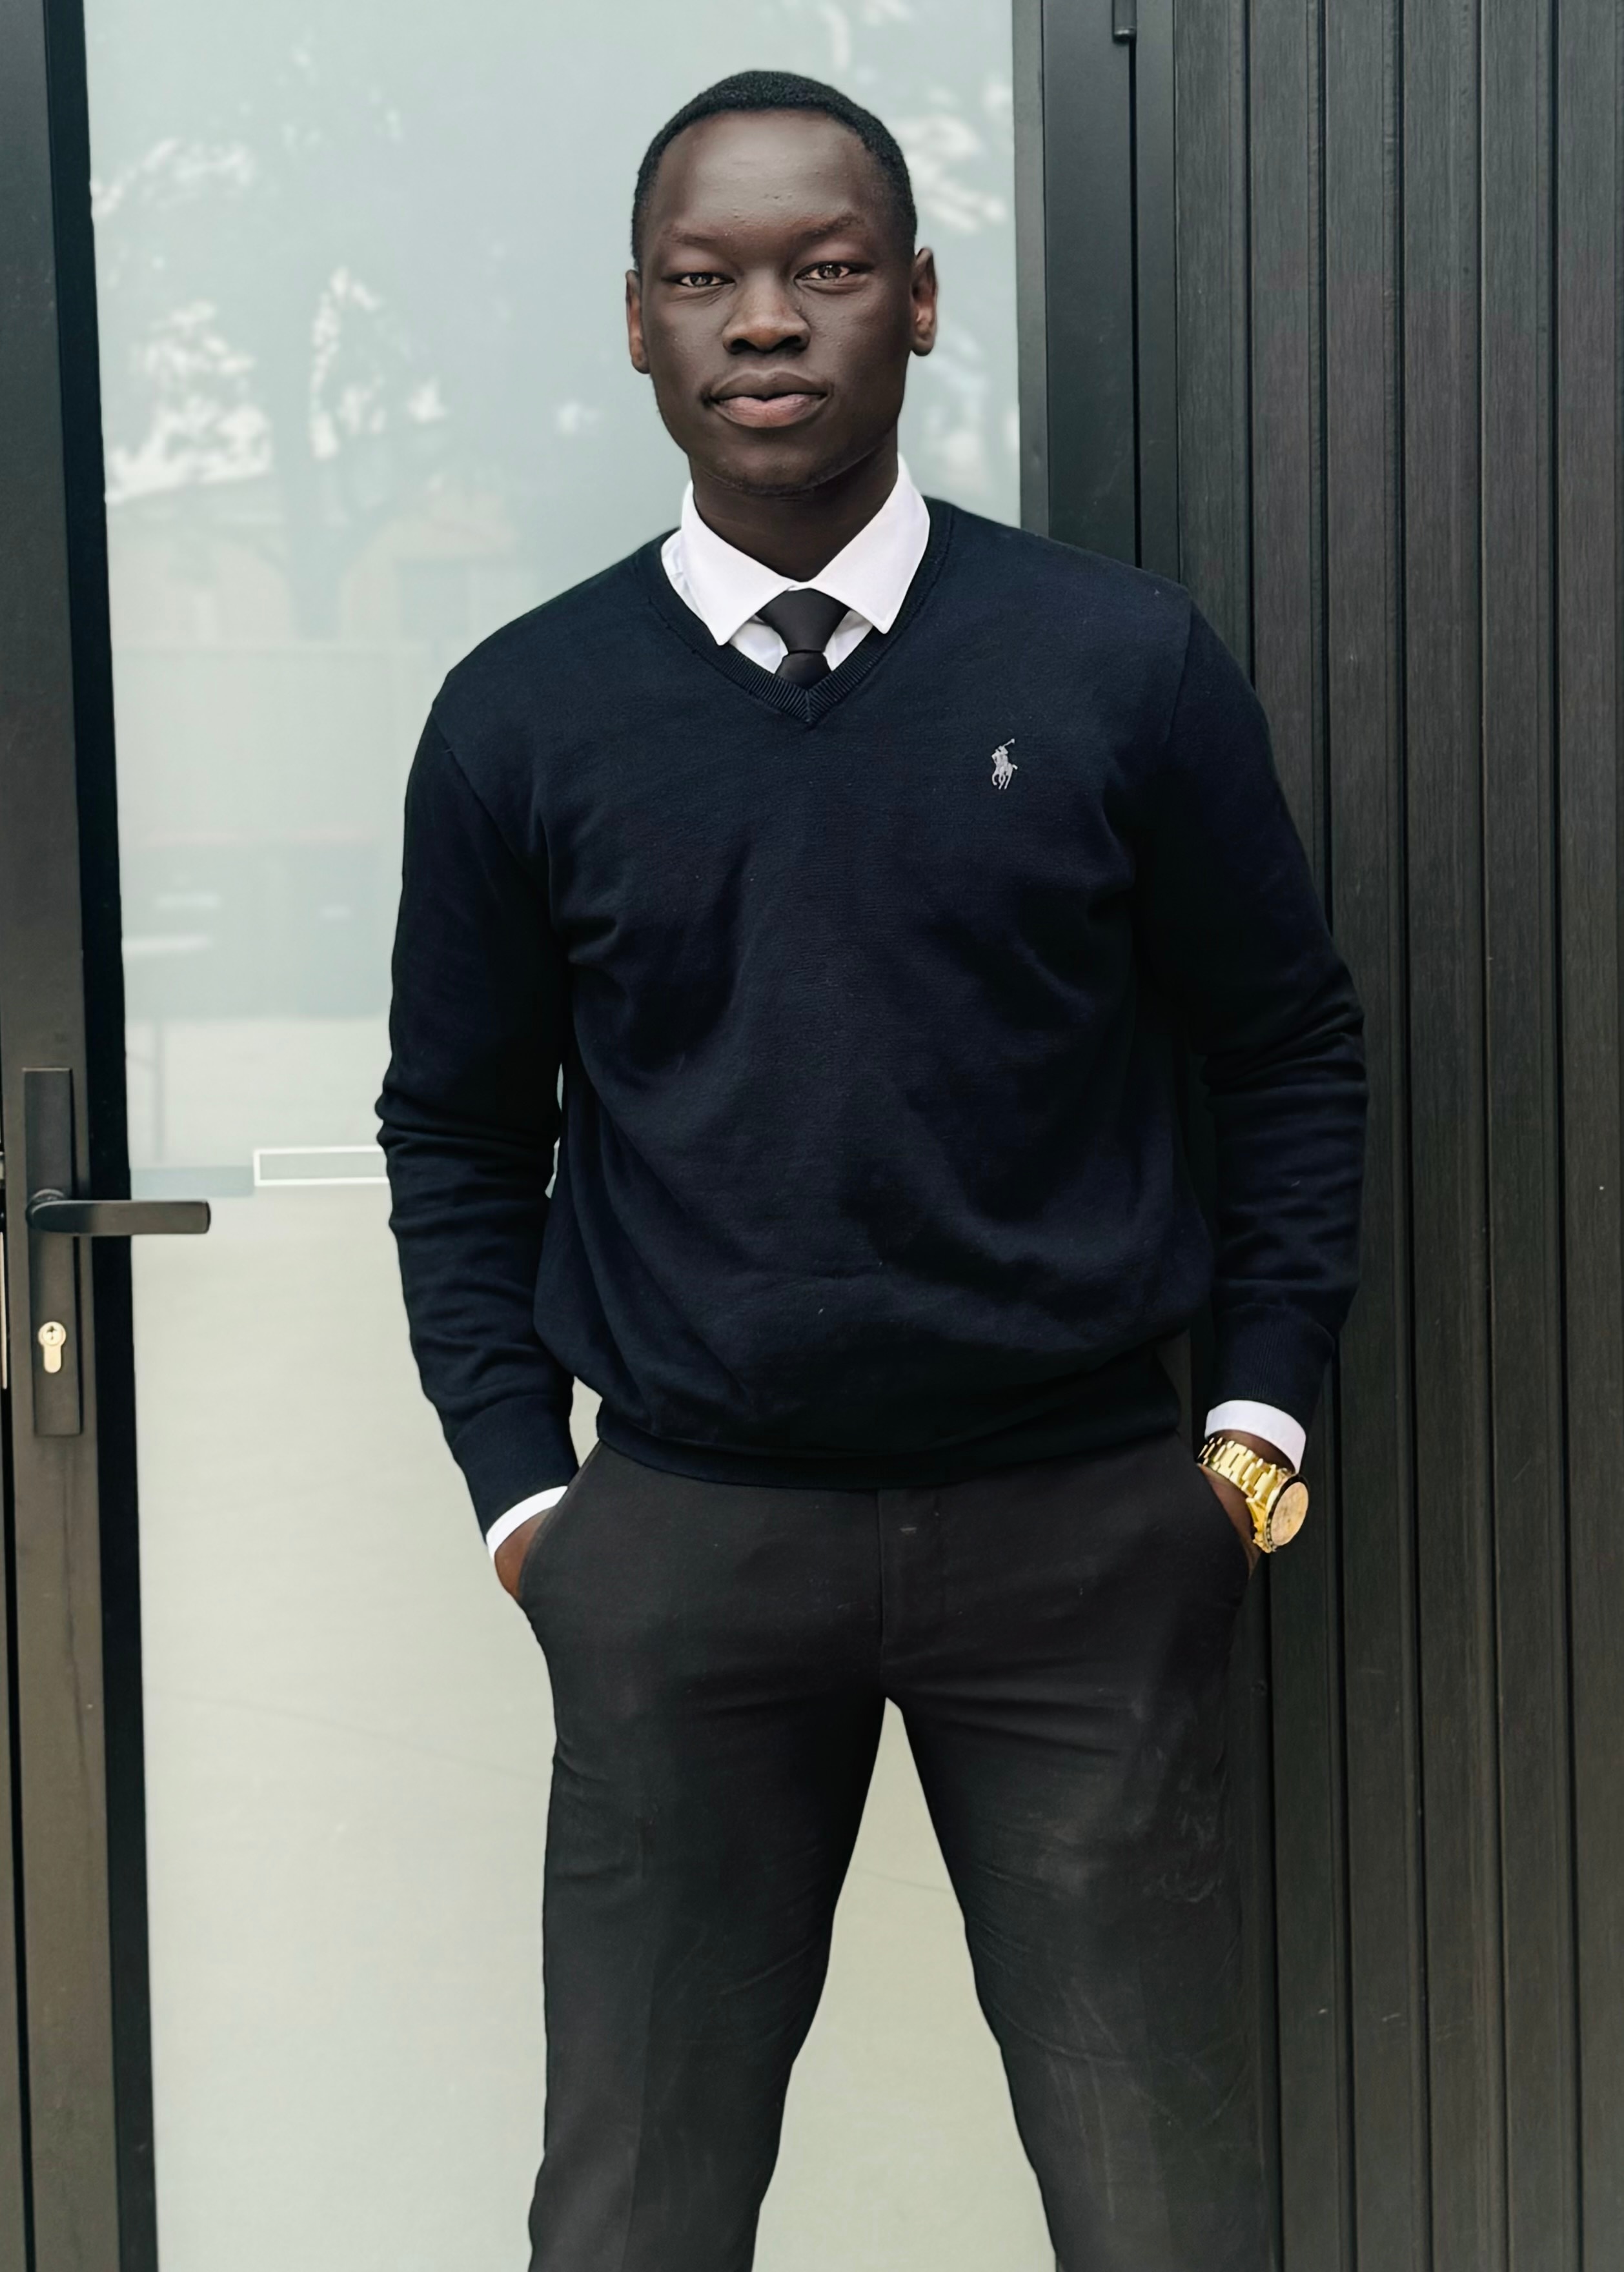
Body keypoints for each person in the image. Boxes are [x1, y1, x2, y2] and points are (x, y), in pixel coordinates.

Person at [379, 68, 1365, 2272]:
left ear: (915, 301)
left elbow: (1284, 1043)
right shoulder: (522, 715)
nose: (763, 320)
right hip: (689, 1549)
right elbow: (456, 1125)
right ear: (634, 322)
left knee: (1159, 2196)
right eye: (702, 277)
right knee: (635, 2199)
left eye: (823, 268)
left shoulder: (1117, 664)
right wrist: (526, 1497)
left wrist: (1253, 1425)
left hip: (1080, 1533)